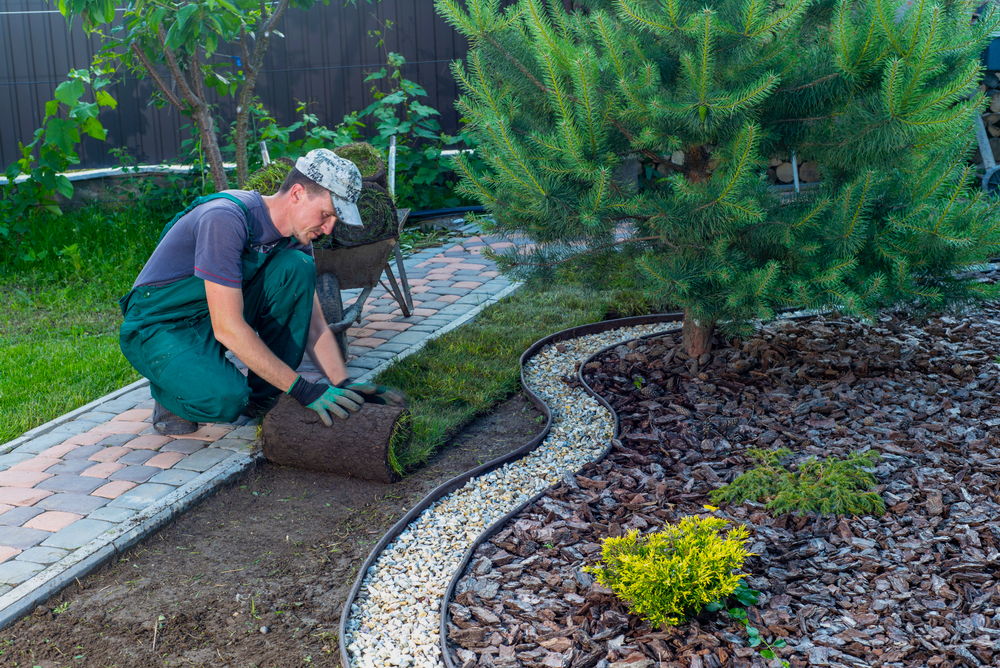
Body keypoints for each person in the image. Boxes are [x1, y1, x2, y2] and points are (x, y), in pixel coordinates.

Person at [119, 149, 404, 435]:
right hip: (160, 323)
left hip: (211, 311)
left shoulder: (296, 238)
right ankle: (170, 397)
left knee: (297, 266)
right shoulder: (226, 218)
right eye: (326, 214)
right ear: (297, 193)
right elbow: (228, 328)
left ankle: (263, 400)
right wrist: (303, 390)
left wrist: (343, 383)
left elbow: (314, 326)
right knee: (226, 400)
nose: (329, 229)